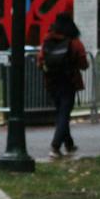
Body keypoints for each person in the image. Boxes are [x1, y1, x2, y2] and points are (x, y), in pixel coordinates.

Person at [38, 11, 89, 160]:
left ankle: (69, 144)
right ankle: (55, 146)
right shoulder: (74, 42)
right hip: (68, 82)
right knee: (64, 114)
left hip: (51, 82)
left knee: (61, 112)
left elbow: (40, 60)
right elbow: (83, 63)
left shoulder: (48, 39)